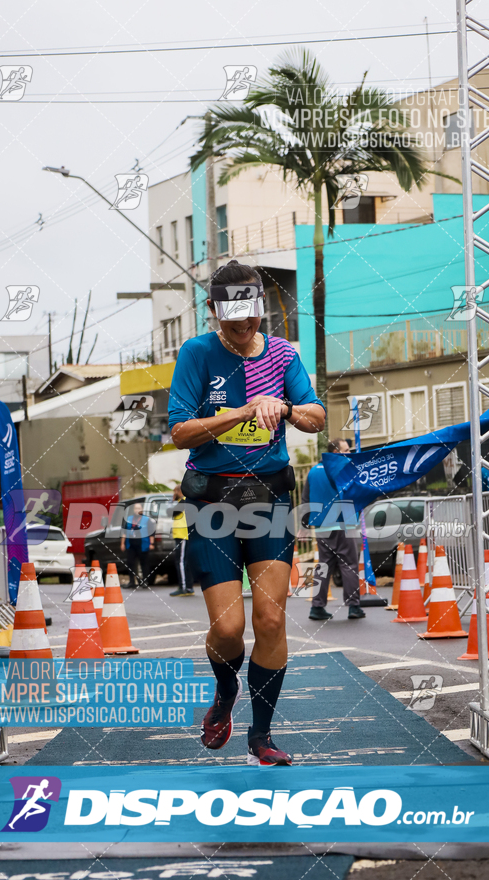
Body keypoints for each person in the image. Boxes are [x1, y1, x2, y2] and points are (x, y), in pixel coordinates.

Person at [169, 260, 325, 766]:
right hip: (213, 500)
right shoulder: (197, 354)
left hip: (271, 497)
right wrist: (237, 412)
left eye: (252, 316)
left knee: (272, 621)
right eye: (233, 320)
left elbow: (316, 417)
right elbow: (180, 432)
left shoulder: (283, 354)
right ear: (214, 311)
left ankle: (262, 736)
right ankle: (224, 691)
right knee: (230, 629)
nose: (244, 327)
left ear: (262, 308)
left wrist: (285, 408)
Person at [302, 438, 365, 621]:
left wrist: (305, 525)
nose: (350, 453)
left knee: (324, 564)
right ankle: (353, 606)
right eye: (346, 450)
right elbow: (358, 494)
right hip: (345, 521)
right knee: (349, 564)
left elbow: (306, 500)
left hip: (323, 524)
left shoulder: (313, 472)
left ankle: (317, 607)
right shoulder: (344, 471)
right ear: (336, 452)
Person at [120, 502, 154, 588]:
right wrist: (122, 543)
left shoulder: (146, 520)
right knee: (130, 563)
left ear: (142, 510)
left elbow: (151, 533)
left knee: (144, 563)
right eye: (136, 508)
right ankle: (132, 581)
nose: (137, 510)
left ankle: (145, 581)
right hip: (131, 545)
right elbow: (124, 532)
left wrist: (151, 543)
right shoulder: (129, 519)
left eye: (139, 508)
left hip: (142, 544)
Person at [169, 483, 194, 596]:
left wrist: (172, 500)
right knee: (185, 562)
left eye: (175, 491)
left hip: (182, 535)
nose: (174, 494)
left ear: (179, 491)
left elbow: (171, 513)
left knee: (180, 562)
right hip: (183, 534)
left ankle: (184, 587)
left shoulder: (183, 501)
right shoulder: (184, 502)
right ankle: (188, 587)